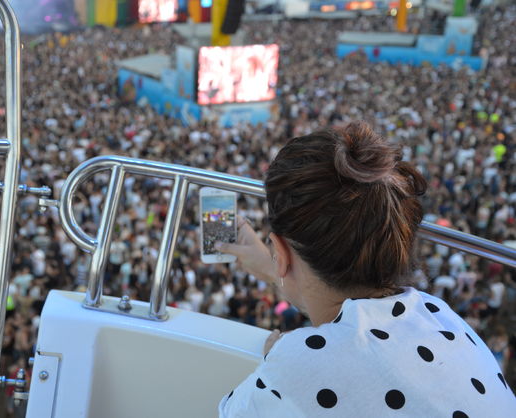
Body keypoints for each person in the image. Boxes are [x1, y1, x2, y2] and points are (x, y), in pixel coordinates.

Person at [215, 122, 515, 417]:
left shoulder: (290, 374)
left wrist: (282, 363)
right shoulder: (442, 317)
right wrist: (276, 271)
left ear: (279, 253)